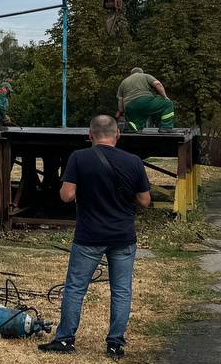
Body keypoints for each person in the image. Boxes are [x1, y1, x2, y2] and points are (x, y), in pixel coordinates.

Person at [39, 115, 152, 359]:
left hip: (89, 235)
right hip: (123, 236)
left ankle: (66, 339)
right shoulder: (133, 161)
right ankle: (114, 343)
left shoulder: (79, 158)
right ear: (117, 135)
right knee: (121, 290)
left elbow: (66, 196)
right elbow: (144, 200)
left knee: (75, 288)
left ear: (90, 135)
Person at [116, 67, 176, 132]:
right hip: (145, 102)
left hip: (130, 107)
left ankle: (133, 128)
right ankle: (166, 127)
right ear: (141, 72)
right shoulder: (145, 76)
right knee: (167, 104)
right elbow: (157, 84)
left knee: (136, 122)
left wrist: (122, 111)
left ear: (131, 74)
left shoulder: (123, 82)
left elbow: (120, 99)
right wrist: (164, 97)